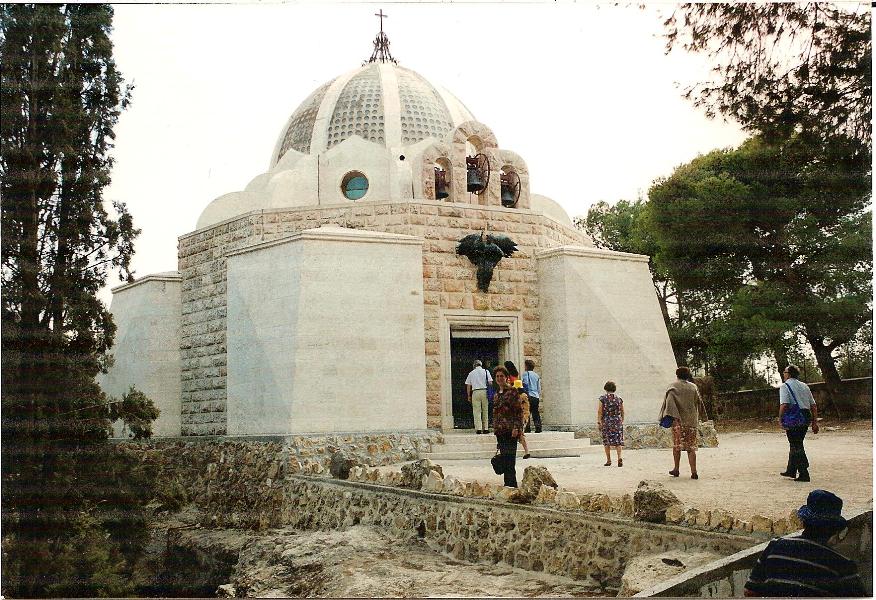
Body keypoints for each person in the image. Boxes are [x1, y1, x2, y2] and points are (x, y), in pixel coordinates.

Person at [744, 489, 865, 597]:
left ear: (803, 522)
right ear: (834, 529)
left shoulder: (775, 546)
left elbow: (750, 591)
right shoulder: (842, 565)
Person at [659, 366, 702, 479]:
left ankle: (676, 469)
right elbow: (698, 402)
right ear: (688, 375)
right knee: (691, 448)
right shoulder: (693, 387)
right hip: (691, 421)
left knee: (677, 446)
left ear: (677, 375)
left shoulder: (672, 387)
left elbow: (669, 404)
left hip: (678, 422)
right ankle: (694, 472)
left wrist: (671, 417)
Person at [780, 364, 819, 482]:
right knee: (797, 442)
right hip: (805, 416)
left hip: (794, 416)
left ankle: (804, 472)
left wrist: (780, 418)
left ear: (789, 374)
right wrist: (815, 422)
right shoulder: (804, 386)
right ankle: (791, 469)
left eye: (785, 372)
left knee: (796, 444)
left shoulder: (785, 386)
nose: (783, 374)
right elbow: (813, 405)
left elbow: (784, 404)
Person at [492, 365, 524, 488]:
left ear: (506, 377)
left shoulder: (513, 392)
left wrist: (516, 428)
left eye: (502, 376)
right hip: (500, 431)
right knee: (504, 459)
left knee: (510, 460)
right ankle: (507, 484)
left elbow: (518, 411)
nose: (499, 378)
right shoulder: (496, 394)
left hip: (510, 430)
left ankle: (512, 485)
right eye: (497, 376)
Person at [503, 360, 531, 458]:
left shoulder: (520, 396)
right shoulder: (516, 377)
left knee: (519, 433)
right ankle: (526, 451)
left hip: (519, 417)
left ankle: (525, 451)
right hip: (520, 416)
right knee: (519, 433)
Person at [598, 381, 624, 467]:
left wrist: (599, 421)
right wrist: (622, 420)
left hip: (607, 421)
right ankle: (619, 457)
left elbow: (600, 411)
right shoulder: (619, 398)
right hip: (617, 421)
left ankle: (608, 460)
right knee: (618, 441)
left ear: (605, 389)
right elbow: (622, 411)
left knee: (606, 441)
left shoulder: (602, 398)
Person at [464, 360, 492, 434]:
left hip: (475, 392)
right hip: (484, 391)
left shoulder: (471, 373)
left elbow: (468, 385)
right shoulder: (486, 371)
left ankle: (478, 428)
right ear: (481, 365)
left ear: (474, 365)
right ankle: (486, 428)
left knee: (477, 411)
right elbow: (490, 382)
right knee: (485, 410)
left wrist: (468, 395)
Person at [523, 360, 542, 433]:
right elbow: (539, 387)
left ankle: (527, 428)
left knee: (527, 411)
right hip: (536, 395)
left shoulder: (525, 374)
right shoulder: (536, 375)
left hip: (529, 394)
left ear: (526, 366)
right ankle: (538, 427)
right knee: (535, 412)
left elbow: (525, 383)